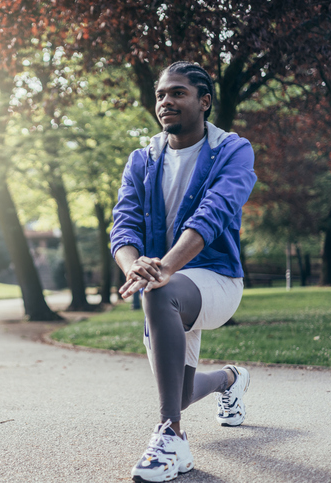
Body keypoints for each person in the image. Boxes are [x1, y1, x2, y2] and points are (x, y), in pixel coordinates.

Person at [110, 61, 257, 482]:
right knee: (178, 390)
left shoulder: (233, 150)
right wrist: (135, 265)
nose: (166, 101)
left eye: (177, 93)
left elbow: (214, 213)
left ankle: (171, 438)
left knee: (159, 293)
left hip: (215, 281)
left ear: (204, 101)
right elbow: (124, 225)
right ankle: (231, 378)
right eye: (160, 94)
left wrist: (162, 271)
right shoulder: (142, 160)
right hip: (165, 284)